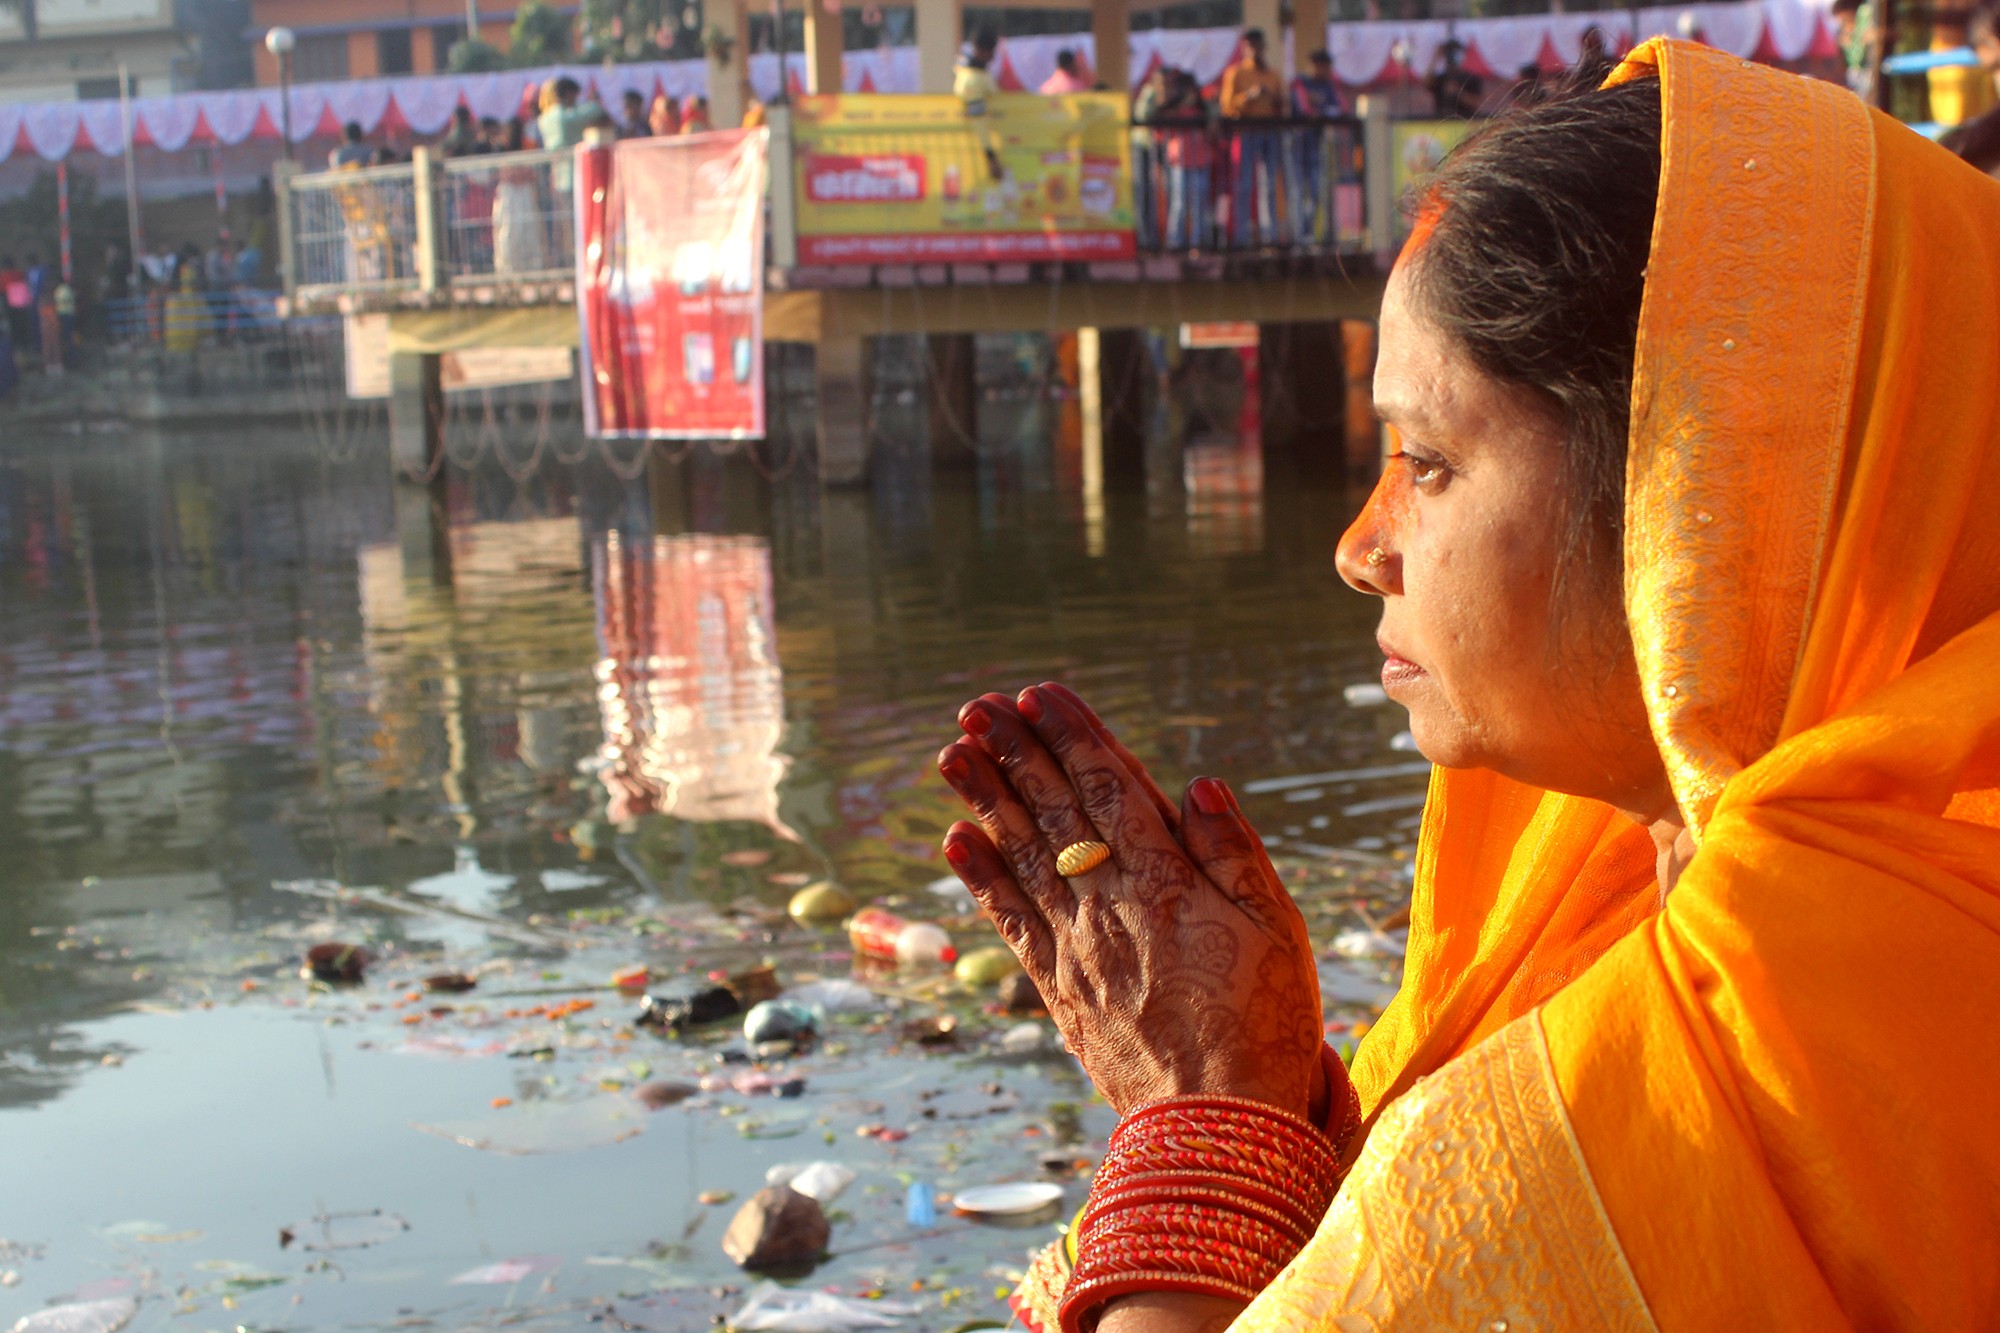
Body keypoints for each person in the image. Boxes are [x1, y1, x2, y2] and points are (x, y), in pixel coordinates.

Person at [938, 38, 2000, 1332]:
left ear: (1703, 507)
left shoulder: (1774, 1023)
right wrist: (1286, 1106)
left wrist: (1200, 1114)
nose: (1360, 546)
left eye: (1428, 461)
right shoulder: (1684, 895)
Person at [1219, 28, 1286, 247]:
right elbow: (1227, 107)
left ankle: (1271, 235)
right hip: (1246, 133)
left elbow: (1283, 105)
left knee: (1269, 186)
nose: (1253, 49)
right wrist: (1249, 96)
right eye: (1249, 45)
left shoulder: (1273, 75)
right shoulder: (1236, 74)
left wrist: (1270, 97)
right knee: (1244, 185)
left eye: (1256, 44)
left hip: (1269, 132)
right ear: (1243, 48)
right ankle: (1242, 236)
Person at [1289, 50, 1345, 246]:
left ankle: (1311, 233)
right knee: (1298, 191)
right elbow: (1305, 109)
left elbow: (1339, 109)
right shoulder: (1299, 83)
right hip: (1297, 144)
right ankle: (1299, 236)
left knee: (1316, 190)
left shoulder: (1329, 85)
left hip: (1319, 144)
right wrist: (1321, 109)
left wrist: (1321, 108)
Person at [1428, 36, 1484, 116]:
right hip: (1442, 122)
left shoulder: (1472, 78)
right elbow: (1426, 84)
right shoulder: (1441, 78)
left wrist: (1458, 92)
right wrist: (1435, 58)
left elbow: (1478, 103)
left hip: (1465, 120)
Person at [954, 30, 1001, 116]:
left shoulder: (962, 68)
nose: (993, 56)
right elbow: (992, 93)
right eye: (992, 51)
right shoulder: (976, 76)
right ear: (983, 51)